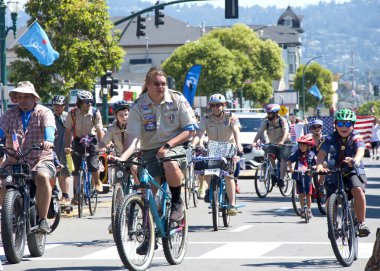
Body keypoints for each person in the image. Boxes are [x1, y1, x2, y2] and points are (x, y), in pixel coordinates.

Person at [111, 67, 197, 223]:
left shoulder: (177, 99)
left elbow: (190, 131)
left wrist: (167, 146)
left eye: (163, 83)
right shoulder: (138, 106)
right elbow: (133, 138)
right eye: (156, 84)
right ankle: (148, 234)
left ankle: (177, 202)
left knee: (169, 162)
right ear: (147, 85)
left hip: (176, 147)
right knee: (147, 195)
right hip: (150, 150)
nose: (161, 87)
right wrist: (122, 158)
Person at [0, 81, 56, 234]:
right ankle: (7, 215)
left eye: (26, 96)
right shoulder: (9, 114)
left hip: (39, 159)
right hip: (13, 159)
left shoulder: (44, 112)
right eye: (19, 97)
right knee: (3, 181)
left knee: (43, 177)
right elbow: (0, 129)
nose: (23, 100)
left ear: (34, 98)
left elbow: (49, 128)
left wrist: (48, 141)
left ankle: (43, 219)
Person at [316, 108, 371, 237]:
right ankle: (333, 225)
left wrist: (355, 161)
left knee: (357, 189)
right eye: (340, 123)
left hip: (353, 169)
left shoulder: (356, 137)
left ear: (353, 125)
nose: (344, 127)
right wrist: (319, 166)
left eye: (347, 124)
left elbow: (360, 150)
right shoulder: (330, 138)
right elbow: (322, 154)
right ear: (335, 125)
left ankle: (361, 223)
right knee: (331, 200)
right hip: (335, 169)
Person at [192, 93, 243, 216]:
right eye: (213, 105)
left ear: (224, 105)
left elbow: (236, 131)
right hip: (213, 149)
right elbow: (199, 134)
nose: (215, 108)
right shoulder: (206, 118)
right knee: (206, 170)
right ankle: (210, 188)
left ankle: (232, 205)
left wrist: (239, 145)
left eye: (218, 105)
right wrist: (193, 146)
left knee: (229, 176)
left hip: (228, 149)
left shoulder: (231, 117)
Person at [64, 90, 104, 204]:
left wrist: (102, 145)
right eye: (87, 102)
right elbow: (68, 131)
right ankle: (77, 194)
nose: (89, 104)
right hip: (78, 141)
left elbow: (99, 130)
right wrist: (67, 146)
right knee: (75, 170)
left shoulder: (95, 112)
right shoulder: (72, 113)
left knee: (93, 163)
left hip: (91, 140)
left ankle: (97, 182)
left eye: (91, 101)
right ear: (80, 102)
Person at [252, 104, 292, 187]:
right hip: (273, 143)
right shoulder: (266, 121)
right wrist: (254, 141)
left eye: (270, 113)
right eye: (268, 113)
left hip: (285, 143)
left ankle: (281, 179)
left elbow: (286, 131)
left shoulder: (282, 120)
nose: (268, 115)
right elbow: (260, 132)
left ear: (276, 113)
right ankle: (274, 172)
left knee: (283, 160)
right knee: (270, 155)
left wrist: (282, 141)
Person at [287, 134, 316, 218]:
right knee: (301, 194)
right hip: (298, 176)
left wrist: (313, 168)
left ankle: (309, 210)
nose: (302, 147)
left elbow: (316, 164)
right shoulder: (297, 153)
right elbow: (289, 161)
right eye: (300, 145)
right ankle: (303, 209)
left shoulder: (312, 154)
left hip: (307, 177)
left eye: (304, 145)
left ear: (309, 146)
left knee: (308, 194)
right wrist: (290, 168)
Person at [51, 95, 72, 205]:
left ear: (64, 106)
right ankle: (55, 194)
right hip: (54, 150)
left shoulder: (68, 117)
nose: (57, 108)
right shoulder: (50, 117)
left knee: (66, 173)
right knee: (55, 173)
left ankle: (66, 195)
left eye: (59, 106)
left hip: (66, 150)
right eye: (55, 106)